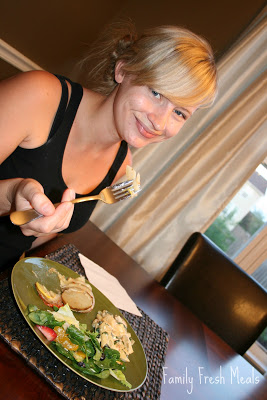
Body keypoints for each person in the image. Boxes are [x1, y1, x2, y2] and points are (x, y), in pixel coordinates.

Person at [0, 22, 217, 269]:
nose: (159, 122)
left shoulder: (121, 169)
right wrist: (10, 195)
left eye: (179, 112)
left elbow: (37, 238)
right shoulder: (38, 96)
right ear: (123, 71)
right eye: (156, 93)